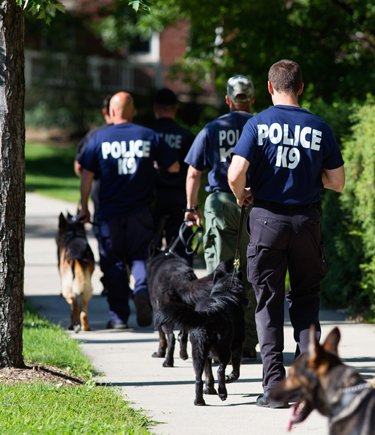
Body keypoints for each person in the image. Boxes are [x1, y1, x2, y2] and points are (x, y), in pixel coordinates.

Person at [228, 59, 345, 407]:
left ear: (268, 88)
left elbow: (236, 173)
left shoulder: (257, 124)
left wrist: (241, 195)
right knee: (307, 298)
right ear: (301, 87)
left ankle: (274, 388)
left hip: (266, 221)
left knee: (267, 301)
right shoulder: (319, 127)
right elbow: (337, 183)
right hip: (307, 222)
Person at [77, 92, 180, 329]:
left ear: (112, 112)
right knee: (140, 256)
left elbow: (86, 175)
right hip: (141, 213)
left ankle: (119, 318)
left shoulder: (99, 138)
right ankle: (142, 290)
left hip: (108, 214)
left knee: (112, 263)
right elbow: (174, 166)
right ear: (132, 111)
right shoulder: (148, 135)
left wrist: (84, 207)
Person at [184, 75, 258, 358]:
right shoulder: (261, 126)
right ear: (252, 99)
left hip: (219, 205)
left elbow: (194, 172)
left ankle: (221, 344)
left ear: (227, 100)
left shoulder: (212, 129)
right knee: (252, 275)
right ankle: (248, 344)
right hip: (254, 204)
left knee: (221, 276)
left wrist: (191, 209)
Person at [74, 95, 113, 296]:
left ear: (105, 111)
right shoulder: (137, 132)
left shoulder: (94, 135)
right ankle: (130, 285)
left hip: (102, 197)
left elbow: (80, 166)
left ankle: (111, 284)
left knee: (107, 244)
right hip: (135, 200)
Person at [151, 88, 195, 264]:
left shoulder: (148, 134)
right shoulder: (186, 136)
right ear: (175, 109)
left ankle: (147, 286)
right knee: (181, 246)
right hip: (179, 195)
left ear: (155, 108)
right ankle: (183, 285)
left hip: (152, 196)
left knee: (149, 244)